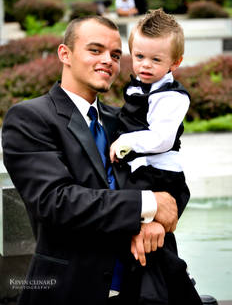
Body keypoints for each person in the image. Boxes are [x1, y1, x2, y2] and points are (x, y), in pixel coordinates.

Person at [2, 15, 181, 305]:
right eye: (95, 50)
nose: (108, 61)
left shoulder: (123, 122)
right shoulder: (29, 119)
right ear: (65, 54)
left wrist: (156, 222)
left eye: (115, 55)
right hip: (70, 291)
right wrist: (146, 205)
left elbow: (170, 180)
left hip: (141, 289)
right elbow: (55, 201)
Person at [110, 9, 203, 304]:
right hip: (143, 174)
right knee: (148, 247)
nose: (145, 66)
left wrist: (124, 142)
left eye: (156, 60)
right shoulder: (140, 86)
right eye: (139, 57)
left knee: (153, 248)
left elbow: (161, 139)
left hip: (162, 178)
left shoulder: (173, 97)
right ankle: (154, 291)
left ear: (176, 62)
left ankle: (175, 288)